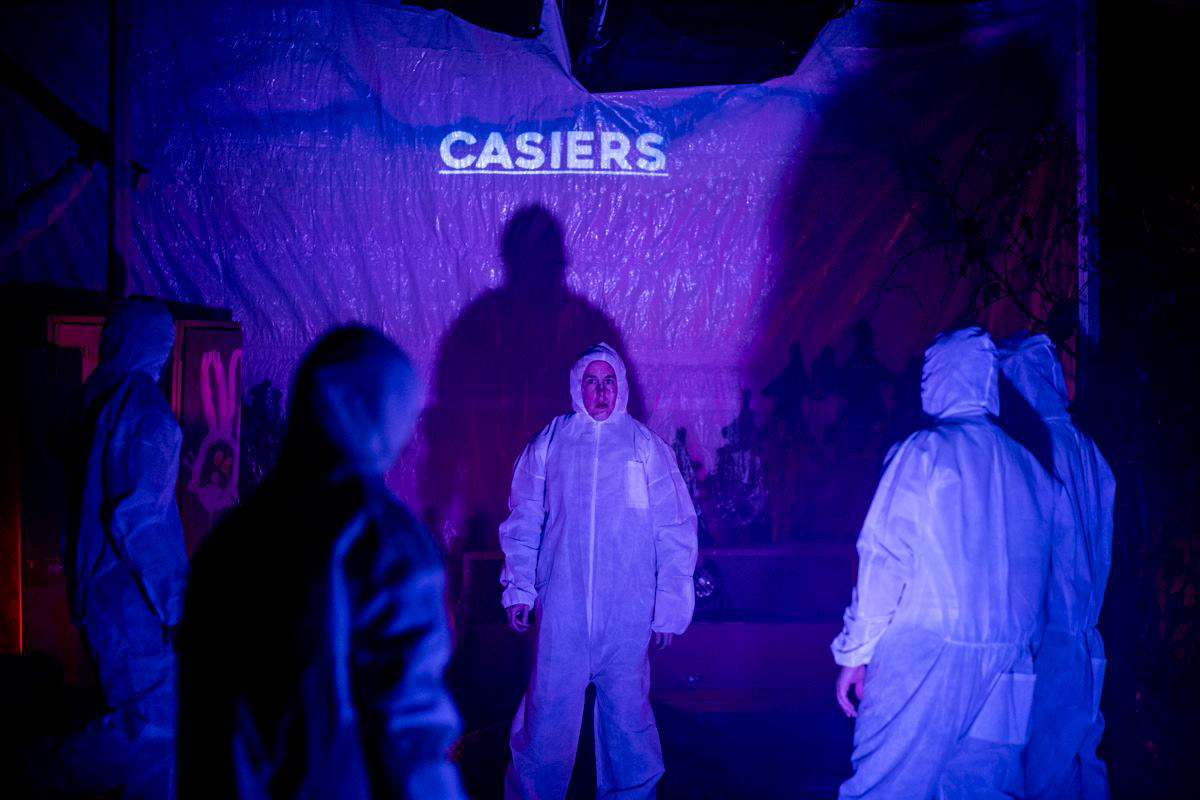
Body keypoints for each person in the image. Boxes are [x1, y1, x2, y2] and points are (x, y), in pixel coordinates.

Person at [177, 325, 465, 799]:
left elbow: (203, 716)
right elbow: (412, 726)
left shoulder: (230, 538)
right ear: (378, 409)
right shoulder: (383, 539)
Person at [831, 327, 1064, 798]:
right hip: (1009, 659)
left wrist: (856, 653)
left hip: (927, 654)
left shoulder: (923, 452)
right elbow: (1044, 573)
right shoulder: (1032, 469)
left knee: (886, 787)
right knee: (983, 788)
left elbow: (884, 557)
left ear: (936, 378)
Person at [500, 343, 698, 800]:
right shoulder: (552, 441)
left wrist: (669, 607)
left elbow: (674, 527)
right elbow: (524, 517)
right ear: (577, 386)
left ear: (621, 386)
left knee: (628, 726)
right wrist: (519, 588)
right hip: (562, 615)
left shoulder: (644, 446)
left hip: (626, 616)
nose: (601, 392)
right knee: (544, 722)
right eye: (592, 381)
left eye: (609, 381)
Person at [41, 297, 189, 799]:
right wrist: (179, 604)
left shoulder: (92, 399)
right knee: (157, 721)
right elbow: (140, 519)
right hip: (133, 600)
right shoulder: (144, 408)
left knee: (158, 745)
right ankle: (41, 772)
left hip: (98, 594)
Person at [999, 332, 1114, 799]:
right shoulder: (1085, 445)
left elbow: (1036, 548)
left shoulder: (1038, 447)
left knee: (1049, 770)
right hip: (1086, 633)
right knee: (1085, 754)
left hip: (1054, 638)